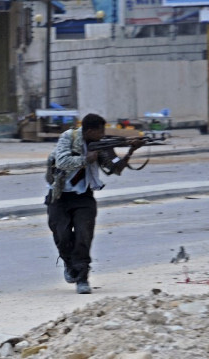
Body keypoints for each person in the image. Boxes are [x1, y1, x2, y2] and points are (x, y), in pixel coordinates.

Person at [45, 114, 142, 294]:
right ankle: (69, 264)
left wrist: (130, 151)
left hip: (84, 196)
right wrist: (85, 159)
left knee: (84, 236)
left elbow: (115, 168)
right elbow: (62, 161)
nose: (102, 135)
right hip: (59, 196)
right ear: (90, 131)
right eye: (100, 131)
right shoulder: (69, 137)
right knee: (62, 236)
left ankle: (82, 278)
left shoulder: (101, 144)